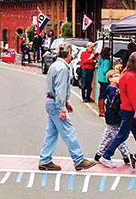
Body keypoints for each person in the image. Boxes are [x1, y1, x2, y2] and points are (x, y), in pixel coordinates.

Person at [40, 41, 97, 171]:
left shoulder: (55, 65)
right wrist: (62, 107)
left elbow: (55, 87)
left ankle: (45, 159)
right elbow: (60, 89)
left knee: (52, 132)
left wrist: (65, 103)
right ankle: (78, 159)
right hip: (55, 103)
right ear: (69, 53)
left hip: (51, 100)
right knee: (68, 130)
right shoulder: (62, 68)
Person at [98, 53, 136, 168]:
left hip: (126, 109)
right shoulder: (131, 77)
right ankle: (106, 155)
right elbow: (133, 96)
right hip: (130, 110)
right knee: (123, 135)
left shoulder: (125, 75)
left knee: (134, 135)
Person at [94, 70, 131, 166]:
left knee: (108, 136)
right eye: (115, 76)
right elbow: (115, 102)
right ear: (110, 79)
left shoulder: (115, 89)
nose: (118, 77)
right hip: (113, 115)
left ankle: (99, 153)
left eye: (118, 76)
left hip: (113, 116)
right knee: (117, 137)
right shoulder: (112, 89)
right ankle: (126, 154)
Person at [95, 46, 114, 116]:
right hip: (105, 79)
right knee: (103, 94)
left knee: (101, 94)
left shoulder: (101, 59)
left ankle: (100, 109)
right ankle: (102, 110)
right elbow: (105, 70)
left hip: (100, 78)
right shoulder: (107, 61)